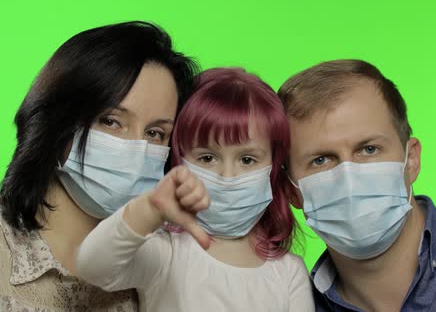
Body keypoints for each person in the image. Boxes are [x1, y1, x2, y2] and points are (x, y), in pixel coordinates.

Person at [0, 21, 198, 311]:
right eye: (110, 121)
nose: (135, 148)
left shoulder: (160, 261)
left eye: (155, 133)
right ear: (59, 122)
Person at [75, 68, 314, 311]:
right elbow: (93, 266)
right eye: (208, 158)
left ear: (273, 167)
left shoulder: (289, 271)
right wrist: (147, 209)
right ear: (180, 161)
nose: (227, 177)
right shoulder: (165, 252)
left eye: (247, 160)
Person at [278, 59, 436, 311]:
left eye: (369, 149)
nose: (349, 179)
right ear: (290, 191)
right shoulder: (292, 304)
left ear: (411, 159)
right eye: (321, 160)